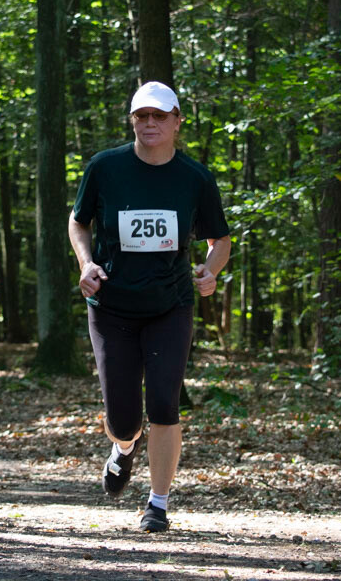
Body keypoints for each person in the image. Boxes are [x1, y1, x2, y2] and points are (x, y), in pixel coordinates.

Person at [68, 81, 231, 534]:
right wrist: (86, 263)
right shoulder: (105, 167)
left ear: (178, 121)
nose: (150, 123)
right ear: (132, 121)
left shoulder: (194, 177)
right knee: (123, 419)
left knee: (163, 402)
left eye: (160, 116)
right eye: (142, 116)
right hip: (112, 305)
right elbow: (78, 222)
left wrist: (210, 270)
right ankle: (123, 448)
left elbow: (221, 240)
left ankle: (157, 505)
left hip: (170, 304)